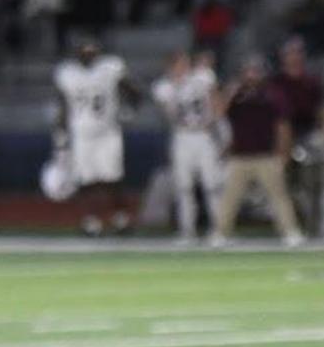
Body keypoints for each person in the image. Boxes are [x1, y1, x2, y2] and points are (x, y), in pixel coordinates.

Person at [212, 59, 304, 247]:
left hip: (266, 155)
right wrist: (230, 91)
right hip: (240, 155)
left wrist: (284, 152)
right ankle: (220, 233)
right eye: (248, 71)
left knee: (278, 196)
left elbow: (283, 125)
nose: (251, 75)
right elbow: (218, 113)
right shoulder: (236, 95)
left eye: (255, 71)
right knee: (229, 197)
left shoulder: (272, 94)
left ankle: (291, 232)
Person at [54, 39, 140, 236]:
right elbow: (63, 105)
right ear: (77, 53)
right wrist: (60, 134)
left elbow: (134, 91)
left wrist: (130, 111)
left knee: (113, 179)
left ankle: (121, 220)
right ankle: (91, 222)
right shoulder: (67, 73)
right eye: (84, 51)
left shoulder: (110, 68)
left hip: (107, 132)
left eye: (92, 51)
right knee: (85, 181)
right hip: (81, 134)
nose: (88, 55)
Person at [151, 50, 223, 244]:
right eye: (177, 64)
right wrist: (177, 84)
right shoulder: (164, 86)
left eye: (184, 63)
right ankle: (187, 231)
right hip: (182, 136)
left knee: (212, 184)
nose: (182, 68)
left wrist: (215, 122)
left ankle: (218, 230)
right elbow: (170, 113)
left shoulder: (203, 76)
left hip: (204, 135)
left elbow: (215, 99)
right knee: (184, 186)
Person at [270, 41, 324, 240]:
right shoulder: (276, 82)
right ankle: (292, 228)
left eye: (297, 53)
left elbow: (323, 110)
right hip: (282, 136)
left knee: (314, 185)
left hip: (308, 135)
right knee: (286, 186)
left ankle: (315, 228)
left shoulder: (312, 81)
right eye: (290, 53)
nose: (294, 57)